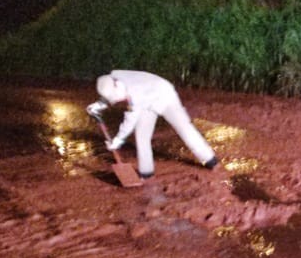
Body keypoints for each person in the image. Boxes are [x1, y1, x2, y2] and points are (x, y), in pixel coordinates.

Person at [86, 70, 219, 179]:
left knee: (184, 128)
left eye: (117, 97)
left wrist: (118, 140)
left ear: (118, 85)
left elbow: (130, 120)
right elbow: (110, 92)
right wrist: (100, 104)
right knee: (142, 136)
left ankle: (210, 160)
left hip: (164, 95)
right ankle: (146, 173)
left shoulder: (135, 94)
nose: (119, 100)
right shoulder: (113, 78)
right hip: (146, 101)